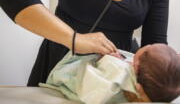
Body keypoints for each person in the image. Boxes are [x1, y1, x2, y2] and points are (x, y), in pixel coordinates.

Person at [0, 0, 169, 86]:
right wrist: (74, 39)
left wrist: (167, 66)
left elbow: (155, 48)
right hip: (60, 67)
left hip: (114, 80)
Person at [40, 44, 180, 103]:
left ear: (136, 67)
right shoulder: (155, 89)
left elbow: (97, 79)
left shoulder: (118, 71)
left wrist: (105, 59)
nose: (149, 44)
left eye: (149, 47)